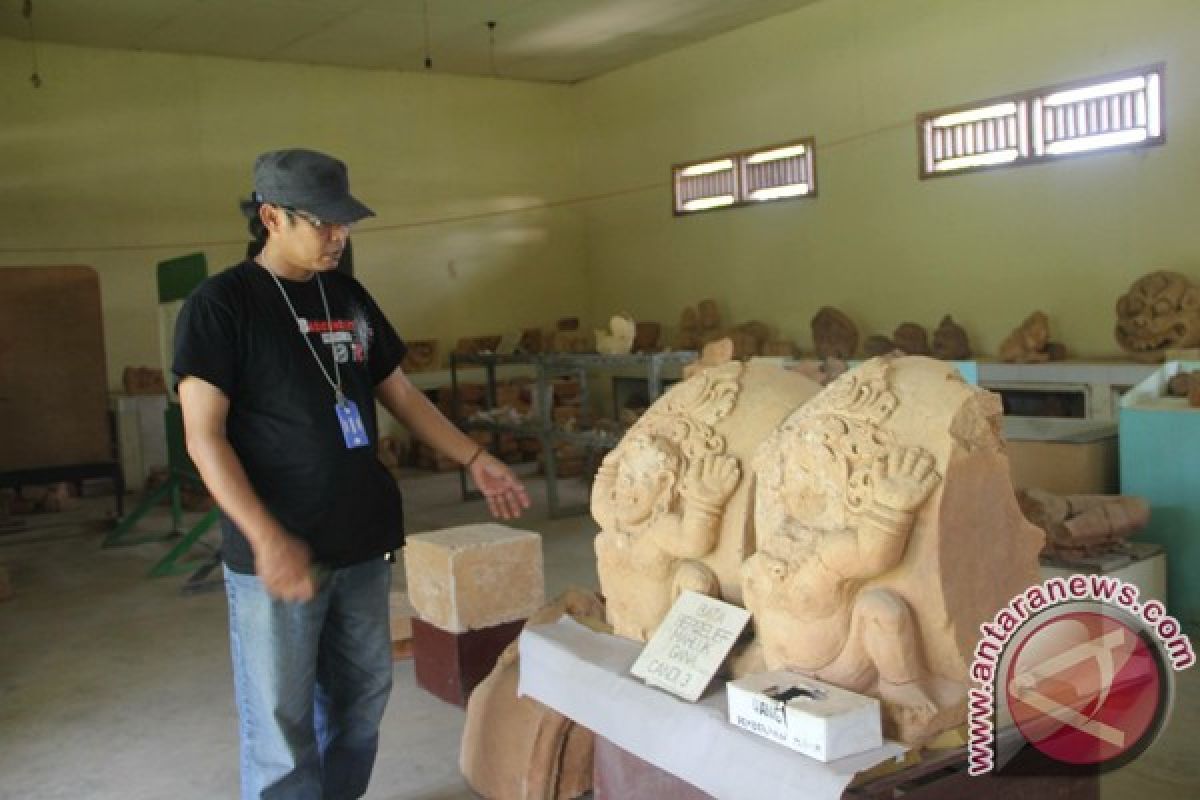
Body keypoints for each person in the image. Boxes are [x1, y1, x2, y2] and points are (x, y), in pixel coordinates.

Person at [173, 148, 530, 800]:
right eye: (324, 223)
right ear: (272, 216)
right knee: (280, 725)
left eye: (346, 223)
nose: (339, 236)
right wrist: (264, 536)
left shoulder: (348, 295)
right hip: (278, 555)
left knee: (361, 700)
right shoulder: (221, 305)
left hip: (362, 542)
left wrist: (474, 457)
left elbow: (401, 395)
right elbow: (204, 437)